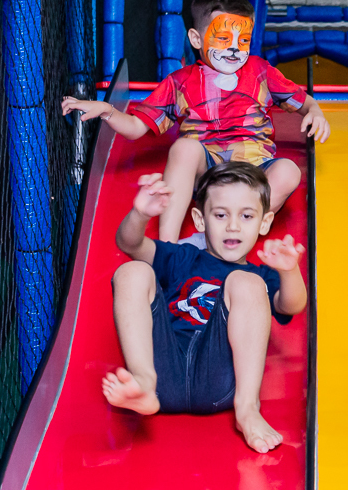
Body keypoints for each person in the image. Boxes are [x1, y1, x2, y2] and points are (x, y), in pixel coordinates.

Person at [62, 0, 330, 243]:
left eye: (244, 40)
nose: (235, 48)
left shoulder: (260, 71)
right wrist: (107, 110)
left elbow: (303, 101)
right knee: (184, 148)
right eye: (224, 39)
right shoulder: (180, 82)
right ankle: (169, 245)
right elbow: (135, 126)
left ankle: (242, 229)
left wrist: (315, 111)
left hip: (255, 169)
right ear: (196, 39)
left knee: (288, 171)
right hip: (209, 171)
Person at [103, 162, 308, 454]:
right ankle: (142, 381)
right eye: (221, 215)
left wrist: (289, 271)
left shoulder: (260, 275)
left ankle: (248, 408)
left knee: (245, 282)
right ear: (200, 220)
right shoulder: (182, 257)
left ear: (264, 223)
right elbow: (129, 243)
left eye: (246, 216)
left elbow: (291, 305)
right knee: (132, 270)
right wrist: (140, 213)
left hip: (218, 378)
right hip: (163, 373)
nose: (233, 225)